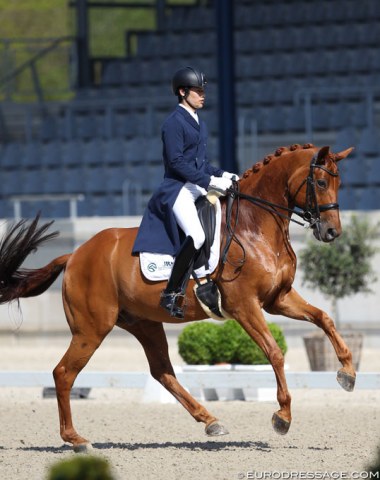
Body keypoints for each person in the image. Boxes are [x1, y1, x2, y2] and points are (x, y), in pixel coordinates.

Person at [132, 66, 238, 319]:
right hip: (177, 188)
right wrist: (210, 181)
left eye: (203, 91)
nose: (203, 96)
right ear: (183, 92)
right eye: (198, 91)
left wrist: (223, 174)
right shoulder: (173, 123)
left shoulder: (199, 122)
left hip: (195, 184)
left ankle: (205, 274)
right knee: (197, 235)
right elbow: (178, 163)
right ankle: (171, 293)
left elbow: (201, 163)